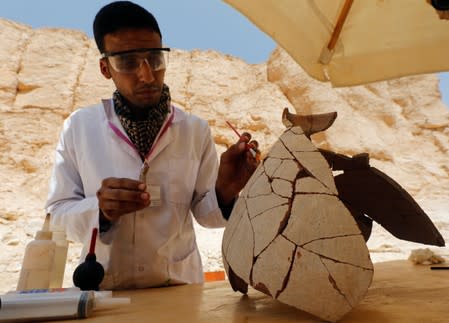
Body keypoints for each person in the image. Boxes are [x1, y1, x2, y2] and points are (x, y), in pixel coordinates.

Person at [45, 0, 260, 290]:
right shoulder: (78, 128)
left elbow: (206, 216)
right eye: (128, 62)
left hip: (180, 290)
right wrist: (100, 210)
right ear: (105, 68)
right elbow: (57, 217)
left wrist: (224, 191)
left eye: (155, 59)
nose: (147, 75)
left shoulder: (195, 130)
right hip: (107, 290)